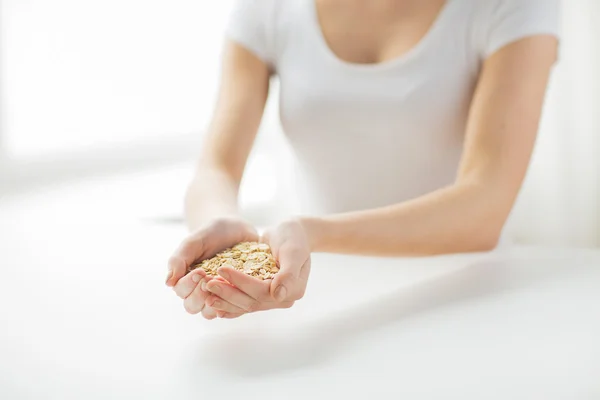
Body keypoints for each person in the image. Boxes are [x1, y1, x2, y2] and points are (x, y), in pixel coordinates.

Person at [165, 0, 560, 320]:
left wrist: (316, 234)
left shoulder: (512, 6)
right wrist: (217, 236)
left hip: (467, 296)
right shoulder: (268, 9)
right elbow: (215, 169)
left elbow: (485, 205)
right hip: (323, 297)